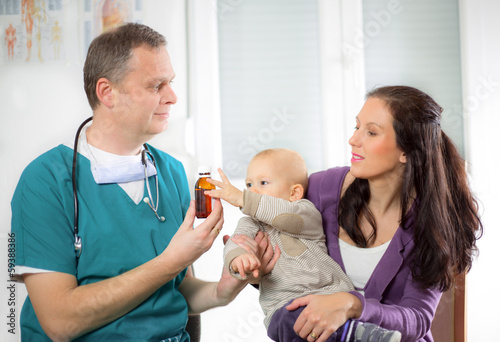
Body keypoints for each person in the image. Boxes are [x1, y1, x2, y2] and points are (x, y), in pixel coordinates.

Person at [10, 22, 276, 341]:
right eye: (156, 86)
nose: (173, 97)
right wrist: (169, 262)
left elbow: (177, 291)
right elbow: (60, 323)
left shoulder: (172, 172)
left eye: (171, 83)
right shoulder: (46, 181)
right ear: (107, 93)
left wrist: (222, 291)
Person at [258, 85, 482, 342]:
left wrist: (353, 305)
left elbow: (417, 319)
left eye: (371, 132)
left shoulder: (433, 222)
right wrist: (261, 266)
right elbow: (282, 247)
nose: (354, 140)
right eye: (357, 127)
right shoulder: (320, 189)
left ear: (406, 152)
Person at [207, 148, 403, 342]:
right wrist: (238, 258)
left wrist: (244, 199)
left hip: (328, 296)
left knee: (330, 323)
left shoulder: (304, 213)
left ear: (294, 193)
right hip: (283, 307)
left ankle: (359, 334)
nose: (253, 191)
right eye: (249, 185)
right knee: (289, 322)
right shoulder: (250, 223)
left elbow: (284, 217)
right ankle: (354, 335)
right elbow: (237, 241)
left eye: (263, 183)